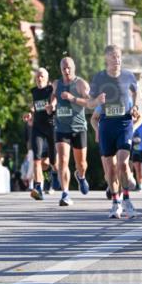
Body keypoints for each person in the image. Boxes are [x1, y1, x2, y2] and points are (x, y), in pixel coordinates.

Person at [88, 45, 139, 219]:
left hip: (124, 123)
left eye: (118, 56)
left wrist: (136, 107)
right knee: (110, 169)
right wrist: (97, 100)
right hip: (106, 124)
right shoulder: (99, 78)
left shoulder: (129, 76)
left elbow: (135, 93)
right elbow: (89, 104)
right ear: (106, 59)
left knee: (123, 164)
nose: (116, 59)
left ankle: (127, 199)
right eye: (113, 56)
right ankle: (115, 202)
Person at [52, 55, 90, 206]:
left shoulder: (81, 84)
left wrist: (72, 98)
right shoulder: (56, 84)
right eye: (64, 68)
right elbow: (53, 98)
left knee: (81, 163)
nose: (66, 71)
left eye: (69, 68)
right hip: (61, 128)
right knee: (62, 160)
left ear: (74, 68)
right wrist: (52, 105)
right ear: (60, 70)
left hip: (79, 127)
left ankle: (80, 176)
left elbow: (89, 102)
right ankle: (65, 193)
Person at [24, 68, 58, 200]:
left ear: (47, 78)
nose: (39, 78)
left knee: (52, 162)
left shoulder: (51, 90)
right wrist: (30, 113)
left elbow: (55, 99)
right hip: (37, 127)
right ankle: (38, 187)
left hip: (51, 127)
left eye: (42, 76)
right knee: (36, 159)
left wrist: (53, 106)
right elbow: (35, 105)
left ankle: (53, 173)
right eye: (37, 76)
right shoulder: (34, 91)